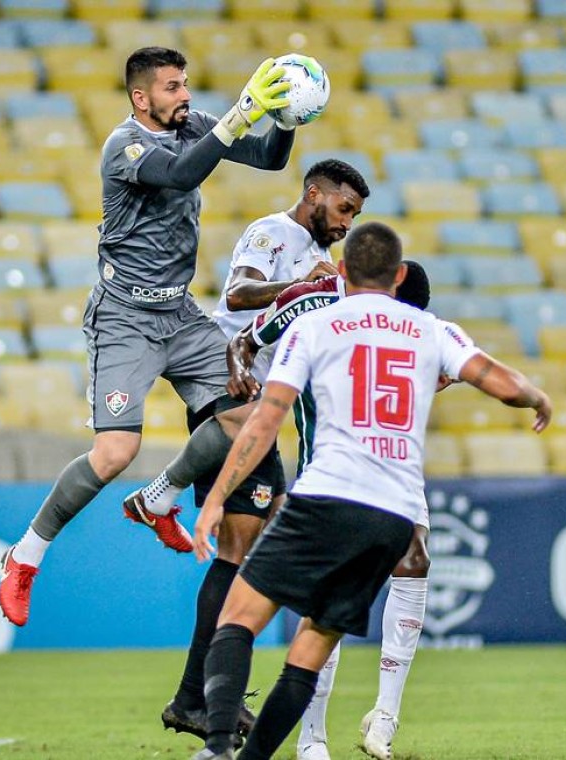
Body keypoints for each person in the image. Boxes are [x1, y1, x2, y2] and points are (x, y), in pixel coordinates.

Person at [187, 221, 552, 760]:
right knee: (310, 651)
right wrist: (536, 397)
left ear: (340, 271)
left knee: (238, 616)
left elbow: (266, 418)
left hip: (326, 496)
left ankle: (218, 748)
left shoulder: (317, 323)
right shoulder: (432, 329)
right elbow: (499, 381)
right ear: (400, 275)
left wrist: (218, 497)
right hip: (392, 518)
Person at [0, 46, 297, 628]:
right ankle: (25, 556)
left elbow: (268, 160)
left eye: (185, 84)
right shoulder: (125, 146)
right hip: (126, 317)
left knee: (255, 414)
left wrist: (284, 119)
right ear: (142, 97)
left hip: (180, 314)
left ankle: (159, 497)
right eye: (171, 87)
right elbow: (181, 174)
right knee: (115, 452)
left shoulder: (194, 126)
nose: (184, 95)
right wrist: (242, 112)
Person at [125, 159, 368, 739]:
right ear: (314, 194)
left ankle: (201, 695)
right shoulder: (271, 233)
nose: (347, 223)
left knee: (250, 547)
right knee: (238, 551)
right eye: (343, 209)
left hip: (263, 410)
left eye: (355, 216)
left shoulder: (320, 260)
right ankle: (204, 697)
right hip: (230, 394)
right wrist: (300, 286)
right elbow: (236, 295)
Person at [222, 261, 436, 760]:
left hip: (395, 469)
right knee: (325, 605)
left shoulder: (413, 330)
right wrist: (242, 372)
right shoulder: (320, 311)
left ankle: (385, 714)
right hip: (331, 475)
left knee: (415, 559)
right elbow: (246, 337)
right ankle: (312, 734)